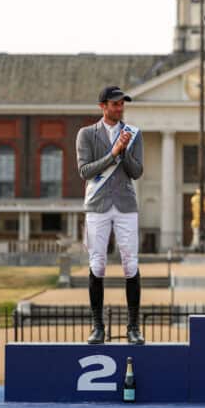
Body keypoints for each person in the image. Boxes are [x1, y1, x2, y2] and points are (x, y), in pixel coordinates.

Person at [76, 86, 145, 344]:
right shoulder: (86, 135)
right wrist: (112, 153)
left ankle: (133, 327)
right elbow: (85, 171)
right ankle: (97, 327)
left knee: (131, 264)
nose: (119, 108)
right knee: (97, 264)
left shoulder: (133, 135)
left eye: (121, 104)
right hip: (97, 204)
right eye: (115, 104)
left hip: (126, 204)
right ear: (102, 106)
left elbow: (136, 172)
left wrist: (124, 152)